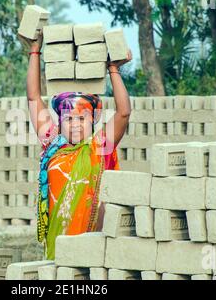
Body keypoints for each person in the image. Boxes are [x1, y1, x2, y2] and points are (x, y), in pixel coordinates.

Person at [18, 30, 132, 260]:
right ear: (59, 122)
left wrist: (113, 70)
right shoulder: (52, 143)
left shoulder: (99, 147)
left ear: (93, 121)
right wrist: (34, 50)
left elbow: (124, 112)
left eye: (82, 118)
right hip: (59, 242)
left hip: (93, 245)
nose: (76, 125)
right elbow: (33, 97)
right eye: (69, 119)